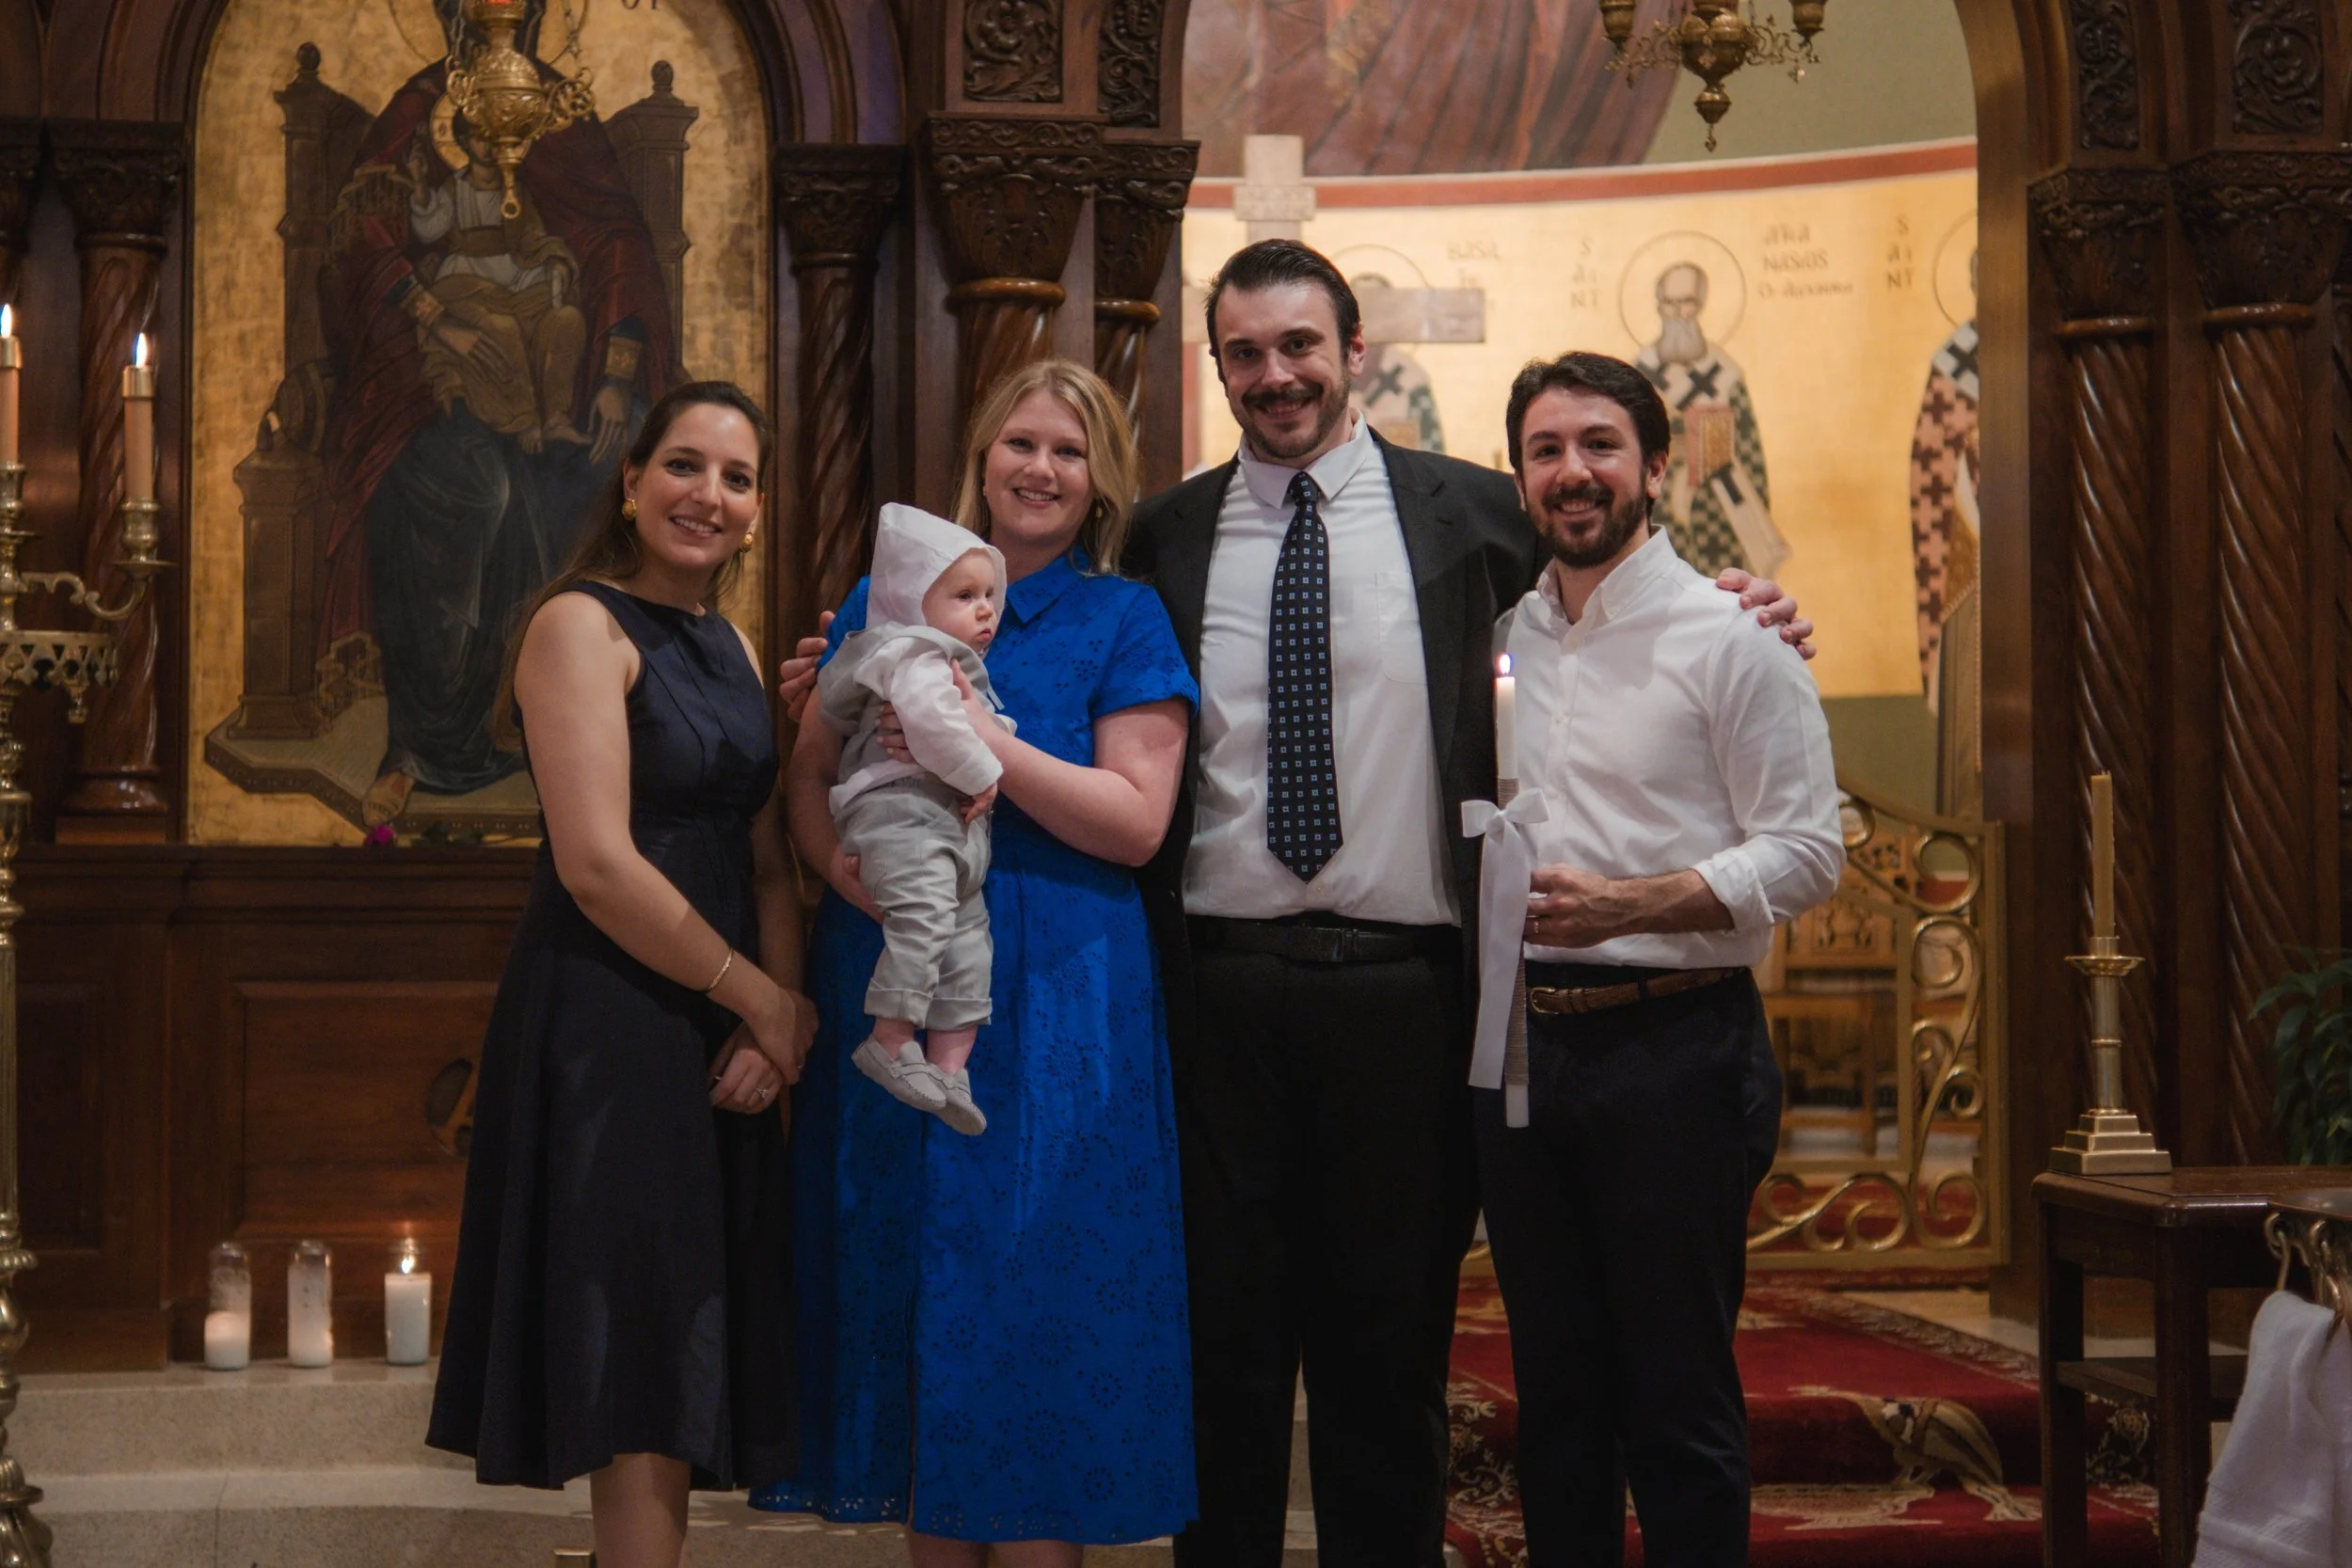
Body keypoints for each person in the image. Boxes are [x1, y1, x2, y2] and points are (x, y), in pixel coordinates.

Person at [1120, 239, 1813, 1568]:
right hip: (1217, 994)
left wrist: (1754, 606)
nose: (1276, 375)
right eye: (1245, 353)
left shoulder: (1481, 514)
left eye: (1300, 346)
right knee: (1224, 1362)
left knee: (1389, 1367)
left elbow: (1618, 590)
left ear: (1354, 351)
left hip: (1410, 997)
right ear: (1217, 367)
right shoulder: (1167, 533)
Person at [761, 357, 1200, 1563]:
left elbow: (1135, 821)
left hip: (1058, 994)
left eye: (1068, 449)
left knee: (1031, 1302)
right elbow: (810, 776)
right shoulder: (885, 596)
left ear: (1100, 478)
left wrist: (978, 739)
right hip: (895, 963)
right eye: (1020, 443)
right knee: (914, 1293)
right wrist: (840, 867)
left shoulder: (1122, 615)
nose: (1040, 469)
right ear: (982, 458)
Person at [426, 381, 816, 1568]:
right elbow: (596, 863)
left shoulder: (733, 645)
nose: (709, 495)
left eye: (737, 478)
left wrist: (775, 1022)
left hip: (725, 1020)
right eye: (684, 465)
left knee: (689, 1326)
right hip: (611, 1014)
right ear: (633, 480)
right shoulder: (576, 626)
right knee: (639, 1343)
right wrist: (759, 995)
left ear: (756, 509)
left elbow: (767, 856)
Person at [1477, 351, 1844, 1566]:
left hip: (1675, 1040)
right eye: (1545, 449)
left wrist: (1636, 901)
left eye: (1599, 443)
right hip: (1526, 1052)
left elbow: (1809, 850)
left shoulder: (1734, 635)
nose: (1572, 471)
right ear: (1518, 476)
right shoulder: (1505, 635)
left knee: (1677, 1394)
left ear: (1653, 464)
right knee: (1555, 1397)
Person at [818, 503, 1013, 1133]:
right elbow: (932, 723)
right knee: (925, 921)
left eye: (990, 595)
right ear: (910, 600)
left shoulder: (954, 661)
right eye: (964, 595)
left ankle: (949, 1070)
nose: (985, 610)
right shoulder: (915, 651)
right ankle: (891, 1036)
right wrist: (985, 773)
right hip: (903, 820)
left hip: (950, 833)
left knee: (969, 947)